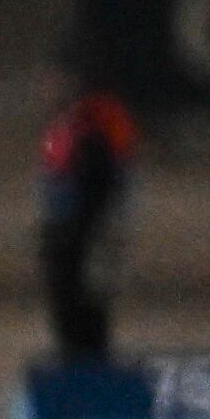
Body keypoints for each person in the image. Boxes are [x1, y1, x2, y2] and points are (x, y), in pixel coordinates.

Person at [34, 54, 138, 363]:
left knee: (81, 309)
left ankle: (86, 373)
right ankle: (81, 365)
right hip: (71, 232)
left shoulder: (93, 123)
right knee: (74, 307)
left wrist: (80, 232)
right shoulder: (73, 122)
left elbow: (101, 183)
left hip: (80, 235)